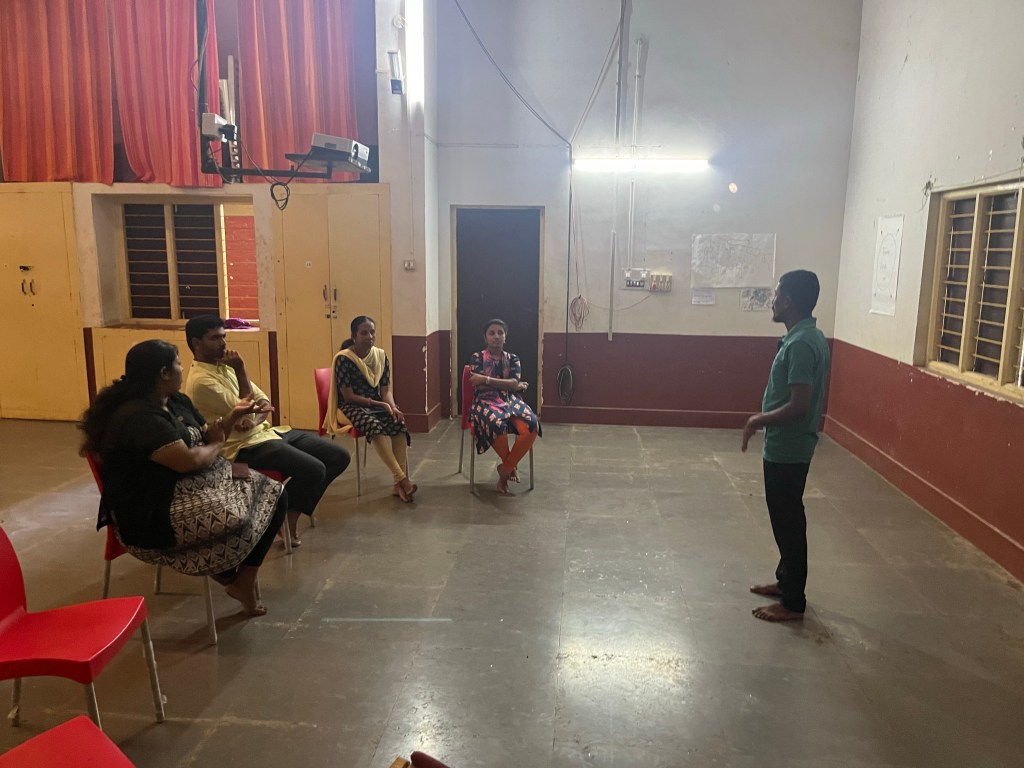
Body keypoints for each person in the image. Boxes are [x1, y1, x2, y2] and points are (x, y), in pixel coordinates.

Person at [79, 340, 286, 617]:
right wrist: (217, 444)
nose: (182, 368)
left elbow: (207, 434)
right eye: (177, 363)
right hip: (154, 504)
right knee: (234, 518)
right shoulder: (138, 417)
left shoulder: (175, 400)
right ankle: (227, 574)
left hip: (199, 479)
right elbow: (188, 461)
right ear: (164, 373)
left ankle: (242, 579)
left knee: (275, 493)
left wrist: (232, 417)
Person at [183, 315, 350, 546]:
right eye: (215, 338)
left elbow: (263, 401)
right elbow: (249, 407)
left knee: (339, 456)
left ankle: (288, 512)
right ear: (196, 343)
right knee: (315, 469)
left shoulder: (224, 367)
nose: (223, 343)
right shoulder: (201, 381)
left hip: (267, 433)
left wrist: (254, 419)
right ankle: (285, 518)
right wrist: (242, 371)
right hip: (241, 447)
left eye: (224, 336)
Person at [742, 270, 831, 622]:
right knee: (784, 518)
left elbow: (799, 406)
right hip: (785, 446)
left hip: (789, 449)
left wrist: (757, 420)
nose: (773, 300)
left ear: (789, 300)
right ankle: (785, 581)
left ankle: (793, 602)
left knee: (789, 522)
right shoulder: (806, 336)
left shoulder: (801, 344)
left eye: (777, 294)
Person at [325, 315, 416, 502]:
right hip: (349, 407)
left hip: (376, 404)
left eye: (372, 332)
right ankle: (402, 479)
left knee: (398, 423)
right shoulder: (344, 359)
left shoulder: (380, 356)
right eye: (364, 333)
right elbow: (348, 397)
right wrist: (381, 404)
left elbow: (385, 391)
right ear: (354, 336)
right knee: (373, 426)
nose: (370, 337)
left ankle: (397, 485)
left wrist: (393, 407)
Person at [468, 318, 540, 495]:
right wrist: (507, 384)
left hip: (510, 400)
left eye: (500, 332)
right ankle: (511, 466)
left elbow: (514, 384)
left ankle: (505, 469)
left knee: (532, 425)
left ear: (505, 337)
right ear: (485, 337)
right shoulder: (477, 357)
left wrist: (485, 379)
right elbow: (478, 384)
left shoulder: (513, 359)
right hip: (485, 401)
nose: (496, 336)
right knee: (495, 424)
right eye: (491, 333)